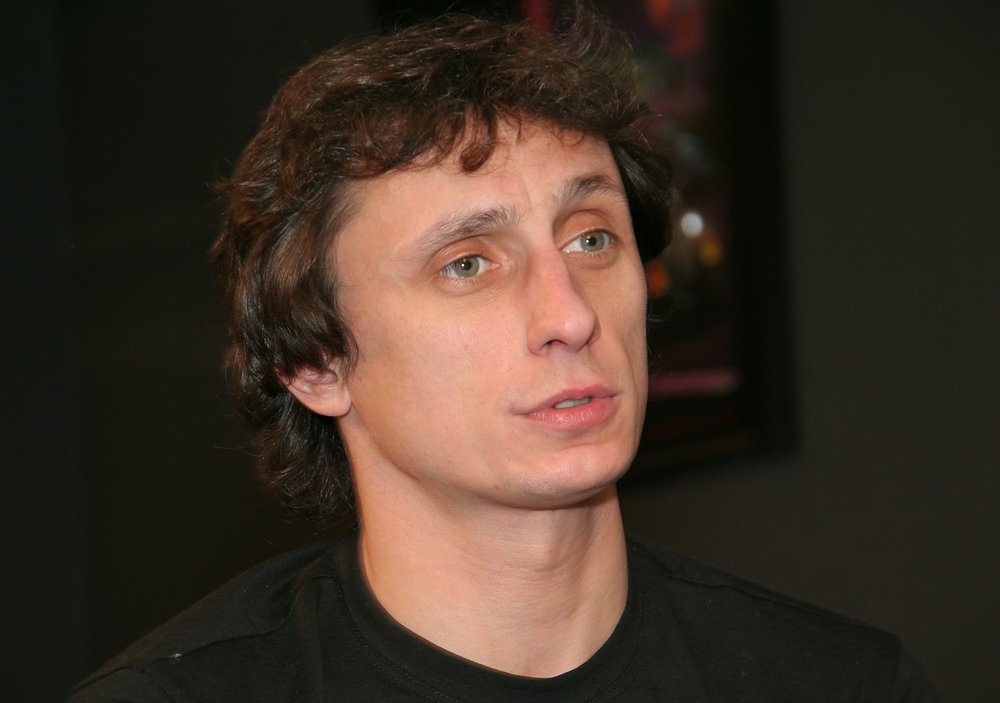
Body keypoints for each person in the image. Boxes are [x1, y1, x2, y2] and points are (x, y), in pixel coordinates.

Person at [70, 6, 937, 701]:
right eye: (468, 264)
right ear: (315, 363)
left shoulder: (842, 682)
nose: (570, 315)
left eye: (592, 239)